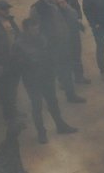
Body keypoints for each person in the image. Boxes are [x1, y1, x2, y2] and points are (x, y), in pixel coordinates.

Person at [14, 17, 78, 145]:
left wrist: (52, 68)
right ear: (26, 29)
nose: (36, 31)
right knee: (37, 106)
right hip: (32, 80)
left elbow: (49, 54)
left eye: (37, 28)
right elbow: (19, 63)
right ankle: (41, 132)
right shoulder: (19, 44)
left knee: (53, 102)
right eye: (33, 29)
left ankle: (60, 125)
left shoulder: (42, 38)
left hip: (46, 77)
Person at [30, 0, 86, 104]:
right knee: (50, 74)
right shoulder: (37, 8)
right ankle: (47, 100)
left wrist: (66, 7)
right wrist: (43, 44)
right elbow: (34, 29)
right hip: (50, 47)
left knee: (66, 70)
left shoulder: (60, 3)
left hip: (64, 44)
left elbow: (74, 16)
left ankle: (70, 95)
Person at [55, 0, 89, 85]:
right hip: (61, 32)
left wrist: (79, 18)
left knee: (76, 54)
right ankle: (63, 81)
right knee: (63, 57)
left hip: (73, 29)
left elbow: (77, 8)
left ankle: (79, 77)